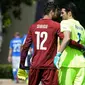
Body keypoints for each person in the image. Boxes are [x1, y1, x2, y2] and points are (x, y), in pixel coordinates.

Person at [18, 2, 84, 85]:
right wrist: (80, 46)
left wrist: (21, 65)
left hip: (35, 65)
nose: (58, 14)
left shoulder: (33, 26)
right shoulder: (56, 26)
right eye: (57, 11)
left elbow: (25, 47)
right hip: (49, 67)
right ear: (52, 11)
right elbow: (68, 41)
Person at [54, 2, 85, 85]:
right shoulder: (81, 27)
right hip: (82, 64)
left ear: (69, 13)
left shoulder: (65, 22)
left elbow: (67, 38)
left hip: (67, 64)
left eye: (62, 13)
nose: (61, 15)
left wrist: (58, 55)